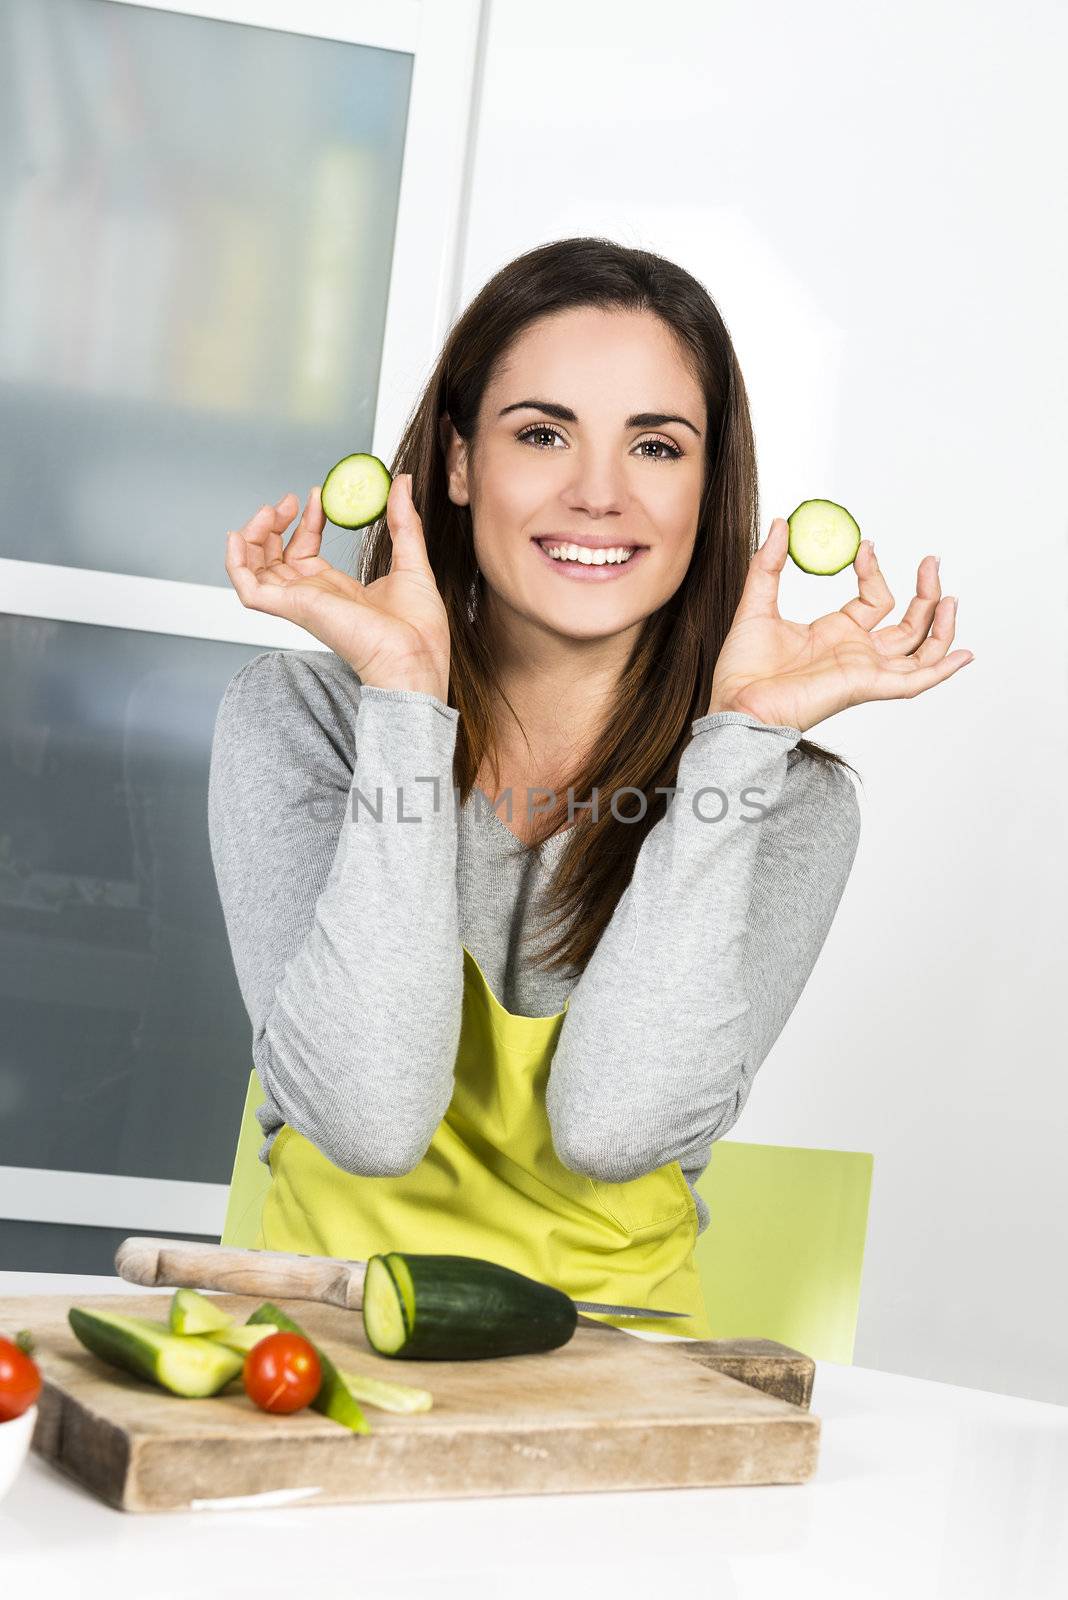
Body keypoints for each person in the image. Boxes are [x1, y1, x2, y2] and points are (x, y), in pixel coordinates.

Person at [208, 237, 973, 1339]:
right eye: (542, 432)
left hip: (621, 1378)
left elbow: (615, 1126)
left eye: (656, 446)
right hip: (312, 1355)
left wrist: (739, 743)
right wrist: (408, 704)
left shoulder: (786, 796)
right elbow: (370, 1117)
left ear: (709, 490)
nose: (600, 494)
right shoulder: (304, 720)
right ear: (461, 464)